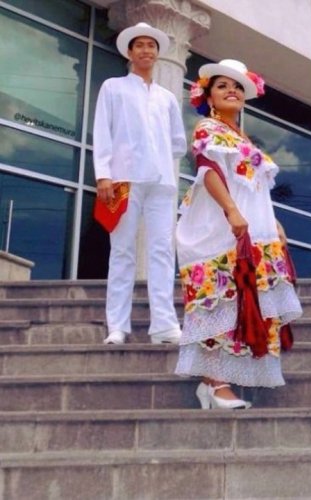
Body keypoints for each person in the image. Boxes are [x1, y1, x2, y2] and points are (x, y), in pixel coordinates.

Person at [175, 59, 302, 409]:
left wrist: (272, 224)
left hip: (252, 229)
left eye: (237, 86)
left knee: (243, 304)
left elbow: (257, 189)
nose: (232, 90)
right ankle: (215, 383)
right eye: (222, 86)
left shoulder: (242, 137)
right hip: (218, 226)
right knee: (221, 301)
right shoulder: (207, 127)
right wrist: (232, 209)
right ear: (209, 97)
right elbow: (209, 170)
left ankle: (215, 383)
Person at [93, 22, 186, 345]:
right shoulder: (113, 87)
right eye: (140, 45)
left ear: (157, 53)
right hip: (123, 180)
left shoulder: (167, 97)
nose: (146, 50)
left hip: (161, 182)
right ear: (130, 52)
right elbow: (103, 131)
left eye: (151, 45)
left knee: (161, 251)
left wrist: (154, 153)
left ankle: (164, 324)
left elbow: (178, 142)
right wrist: (104, 173)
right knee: (122, 251)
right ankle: (117, 326)